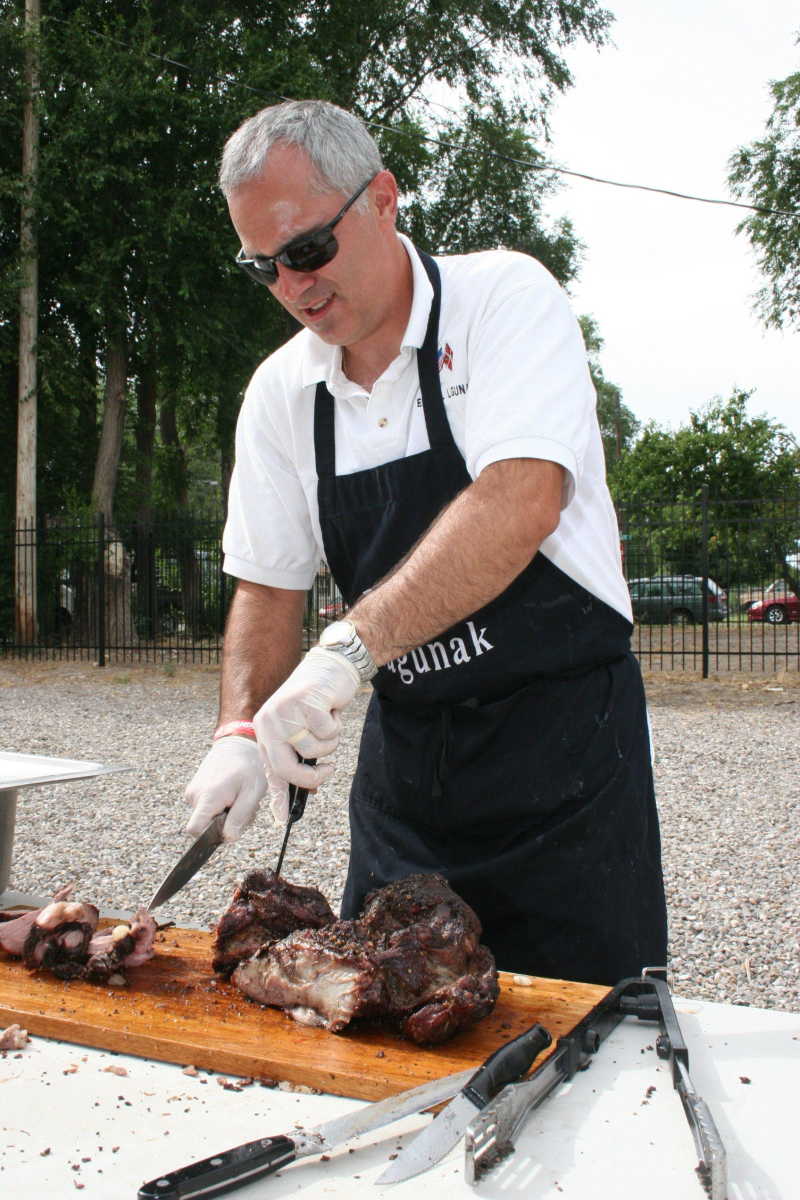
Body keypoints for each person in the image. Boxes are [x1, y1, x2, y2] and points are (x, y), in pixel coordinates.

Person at [185, 98, 668, 986]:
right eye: (263, 267)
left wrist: (345, 653)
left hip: (565, 766)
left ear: (382, 199)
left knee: (595, 1037)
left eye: (307, 250)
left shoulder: (503, 301)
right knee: (380, 1016)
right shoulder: (282, 394)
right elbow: (267, 585)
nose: (292, 286)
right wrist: (239, 729)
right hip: (408, 783)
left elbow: (520, 499)